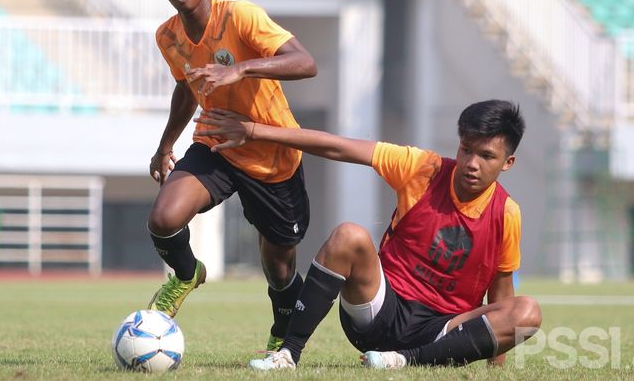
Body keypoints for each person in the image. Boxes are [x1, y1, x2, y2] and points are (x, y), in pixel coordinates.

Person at [194, 100, 542, 370]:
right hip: (379, 312)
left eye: (486, 156)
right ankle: (288, 353)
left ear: (507, 163)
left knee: (527, 312)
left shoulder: (507, 213)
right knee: (349, 234)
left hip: (443, 330)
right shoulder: (423, 167)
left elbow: (501, 291)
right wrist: (255, 131)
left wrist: (497, 364)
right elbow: (337, 146)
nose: (471, 163)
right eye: (466, 149)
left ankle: (406, 361)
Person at [130, 0, 317, 351]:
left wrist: (242, 68)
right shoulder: (168, 36)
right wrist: (165, 145)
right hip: (216, 144)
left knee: (280, 268)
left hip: (272, 155)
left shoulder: (241, 16)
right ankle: (185, 274)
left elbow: (306, 63)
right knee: (163, 218)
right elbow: (186, 88)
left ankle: (283, 337)